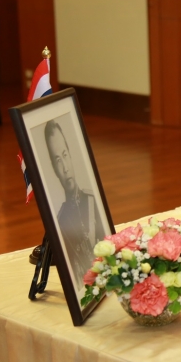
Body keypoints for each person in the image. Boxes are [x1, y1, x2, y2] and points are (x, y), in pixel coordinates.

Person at [44, 119, 106, 287]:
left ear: (70, 156)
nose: (64, 167)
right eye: (58, 160)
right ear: (54, 169)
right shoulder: (60, 222)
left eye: (65, 155)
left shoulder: (93, 200)